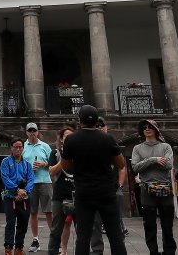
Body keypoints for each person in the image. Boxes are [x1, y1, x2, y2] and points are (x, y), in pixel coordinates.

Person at [61, 105, 127, 255]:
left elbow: (65, 166)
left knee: (83, 236)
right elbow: (121, 163)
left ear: (80, 120)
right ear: (97, 121)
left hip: (83, 192)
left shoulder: (71, 139)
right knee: (115, 235)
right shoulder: (107, 138)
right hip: (106, 192)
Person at [131, 119, 176, 255]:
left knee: (167, 225)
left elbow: (168, 164)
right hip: (146, 190)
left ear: (155, 129)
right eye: (144, 127)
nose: (147, 129)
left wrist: (146, 163)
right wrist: (154, 160)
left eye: (150, 126)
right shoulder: (137, 148)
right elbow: (135, 167)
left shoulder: (166, 146)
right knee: (149, 225)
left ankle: (169, 251)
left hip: (165, 189)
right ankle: (153, 252)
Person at [22, 122, 53, 253]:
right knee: (33, 212)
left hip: (45, 181)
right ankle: (35, 240)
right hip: (30, 183)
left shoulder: (45, 146)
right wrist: (28, 169)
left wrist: (43, 164)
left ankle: (54, 238)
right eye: (30, 131)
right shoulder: (22, 146)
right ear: (26, 132)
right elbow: (19, 164)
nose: (32, 133)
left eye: (34, 130)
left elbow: (53, 165)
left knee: (49, 211)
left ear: (38, 131)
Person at [2, 138, 35, 255]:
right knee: (10, 222)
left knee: (23, 223)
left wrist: (24, 191)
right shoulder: (5, 162)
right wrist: (16, 190)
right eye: (15, 147)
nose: (18, 149)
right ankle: (9, 247)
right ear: (11, 148)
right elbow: (5, 178)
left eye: (20, 147)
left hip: (24, 198)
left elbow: (31, 179)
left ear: (23, 148)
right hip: (10, 197)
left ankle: (19, 247)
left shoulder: (27, 164)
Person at [47, 124, 76, 255]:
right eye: (66, 137)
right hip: (60, 196)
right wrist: (64, 157)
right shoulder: (56, 153)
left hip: (77, 195)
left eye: (71, 137)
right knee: (55, 230)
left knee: (82, 230)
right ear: (61, 139)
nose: (69, 139)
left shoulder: (81, 153)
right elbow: (51, 171)